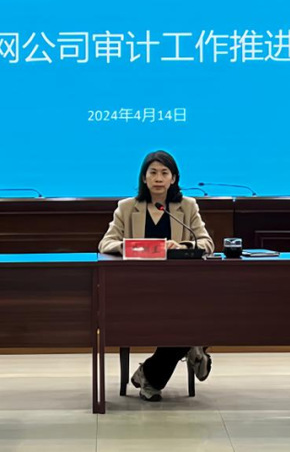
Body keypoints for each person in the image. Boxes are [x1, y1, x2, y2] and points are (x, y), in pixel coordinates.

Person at [98, 150, 214, 402]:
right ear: (144, 177)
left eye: (164, 173)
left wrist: (181, 246)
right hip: (140, 289)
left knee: (190, 314)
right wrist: (131, 247)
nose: (158, 178)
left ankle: (148, 377)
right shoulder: (127, 207)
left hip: (180, 288)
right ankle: (192, 347)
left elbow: (207, 243)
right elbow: (105, 243)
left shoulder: (187, 206)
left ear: (174, 178)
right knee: (187, 322)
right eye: (153, 173)